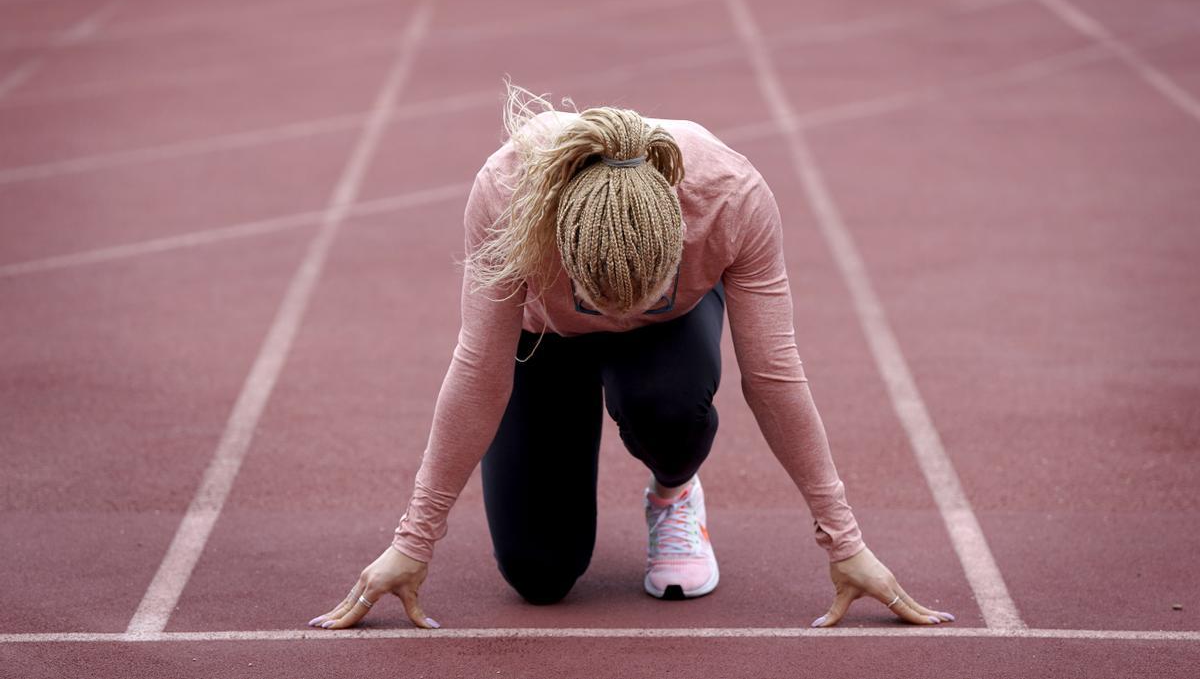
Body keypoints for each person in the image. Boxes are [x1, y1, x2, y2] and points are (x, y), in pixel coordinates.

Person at [308, 84, 954, 630]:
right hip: (545, 340)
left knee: (665, 404)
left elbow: (773, 375)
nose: (613, 320)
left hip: (668, 334)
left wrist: (844, 539)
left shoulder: (730, 198)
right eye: (598, 300)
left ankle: (673, 492)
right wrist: (413, 539)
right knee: (538, 574)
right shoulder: (505, 194)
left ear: (678, 236)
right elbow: (480, 369)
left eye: (630, 301)